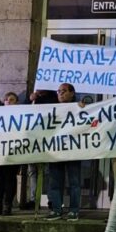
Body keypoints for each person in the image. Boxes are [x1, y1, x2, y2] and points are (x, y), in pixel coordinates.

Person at [46, 83, 83, 221]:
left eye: (64, 91)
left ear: (72, 93)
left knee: (74, 182)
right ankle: (56, 209)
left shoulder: (80, 107)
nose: (60, 94)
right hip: (55, 151)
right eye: (59, 91)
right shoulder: (50, 108)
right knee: (55, 182)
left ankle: (74, 210)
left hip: (73, 151)